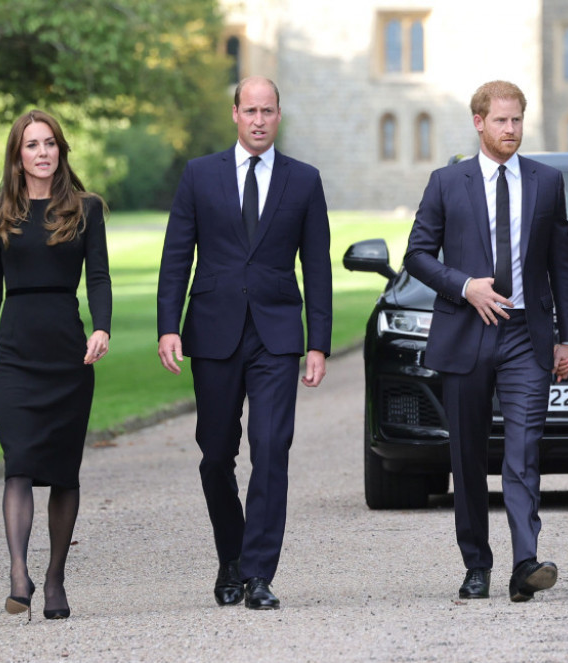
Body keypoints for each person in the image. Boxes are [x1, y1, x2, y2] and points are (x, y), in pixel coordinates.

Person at [156, 76, 332, 610]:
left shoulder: (304, 180)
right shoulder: (199, 174)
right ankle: (230, 557)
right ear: (235, 113)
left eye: (267, 111)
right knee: (215, 455)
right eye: (250, 110)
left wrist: (318, 342)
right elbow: (176, 255)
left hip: (277, 334)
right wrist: (168, 326)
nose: (258, 120)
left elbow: (318, 267)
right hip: (213, 330)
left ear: (279, 115)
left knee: (272, 448)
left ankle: (257, 573)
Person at [404, 80, 568, 602]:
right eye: (501, 120)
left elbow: (562, 263)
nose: (511, 129)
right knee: (467, 455)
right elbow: (417, 254)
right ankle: (476, 564)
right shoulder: (446, 182)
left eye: (517, 120)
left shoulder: (546, 181)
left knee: (523, 451)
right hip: (467, 331)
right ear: (479, 122)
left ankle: (525, 563)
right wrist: (465, 286)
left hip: (527, 334)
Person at [0, 110, 111, 621]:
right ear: (17, 155)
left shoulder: (86, 209)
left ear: (60, 150)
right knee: (19, 464)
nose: (42, 152)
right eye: (32, 145)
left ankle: (54, 579)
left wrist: (102, 327)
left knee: (64, 473)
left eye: (49, 143)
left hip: (67, 355)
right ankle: (18, 576)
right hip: (15, 356)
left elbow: (99, 277)